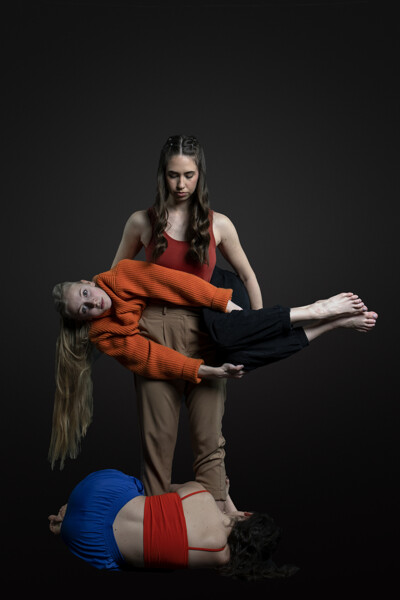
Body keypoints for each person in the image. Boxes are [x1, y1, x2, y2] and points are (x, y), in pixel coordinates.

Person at [108, 134, 377, 508]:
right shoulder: (141, 222)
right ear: (162, 175)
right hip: (155, 331)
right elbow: (115, 280)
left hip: (208, 331)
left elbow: (248, 276)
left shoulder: (219, 224)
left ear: (200, 174)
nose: (181, 184)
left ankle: (220, 520)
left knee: (209, 438)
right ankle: (158, 523)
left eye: (189, 175)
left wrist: (254, 325)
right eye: (173, 175)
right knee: (157, 440)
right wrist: (123, 330)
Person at [50, 258, 378, 473]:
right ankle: (331, 324)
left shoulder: (121, 274)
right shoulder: (105, 335)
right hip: (211, 320)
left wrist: (229, 307)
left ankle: (313, 310)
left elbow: (177, 284)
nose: (93, 303)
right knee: (236, 359)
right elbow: (151, 358)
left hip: (213, 287)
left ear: (87, 282)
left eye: (85, 294)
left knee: (226, 335)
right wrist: (208, 371)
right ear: (83, 320)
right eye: (84, 309)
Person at [48, 468, 298, 580]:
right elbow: (231, 541)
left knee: (143, 490)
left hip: (98, 492)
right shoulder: (218, 554)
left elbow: (158, 488)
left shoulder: (201, 494)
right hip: (88, 541)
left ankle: (77, 505)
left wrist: (226, 497)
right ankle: (65, 523)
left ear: (247, 515)